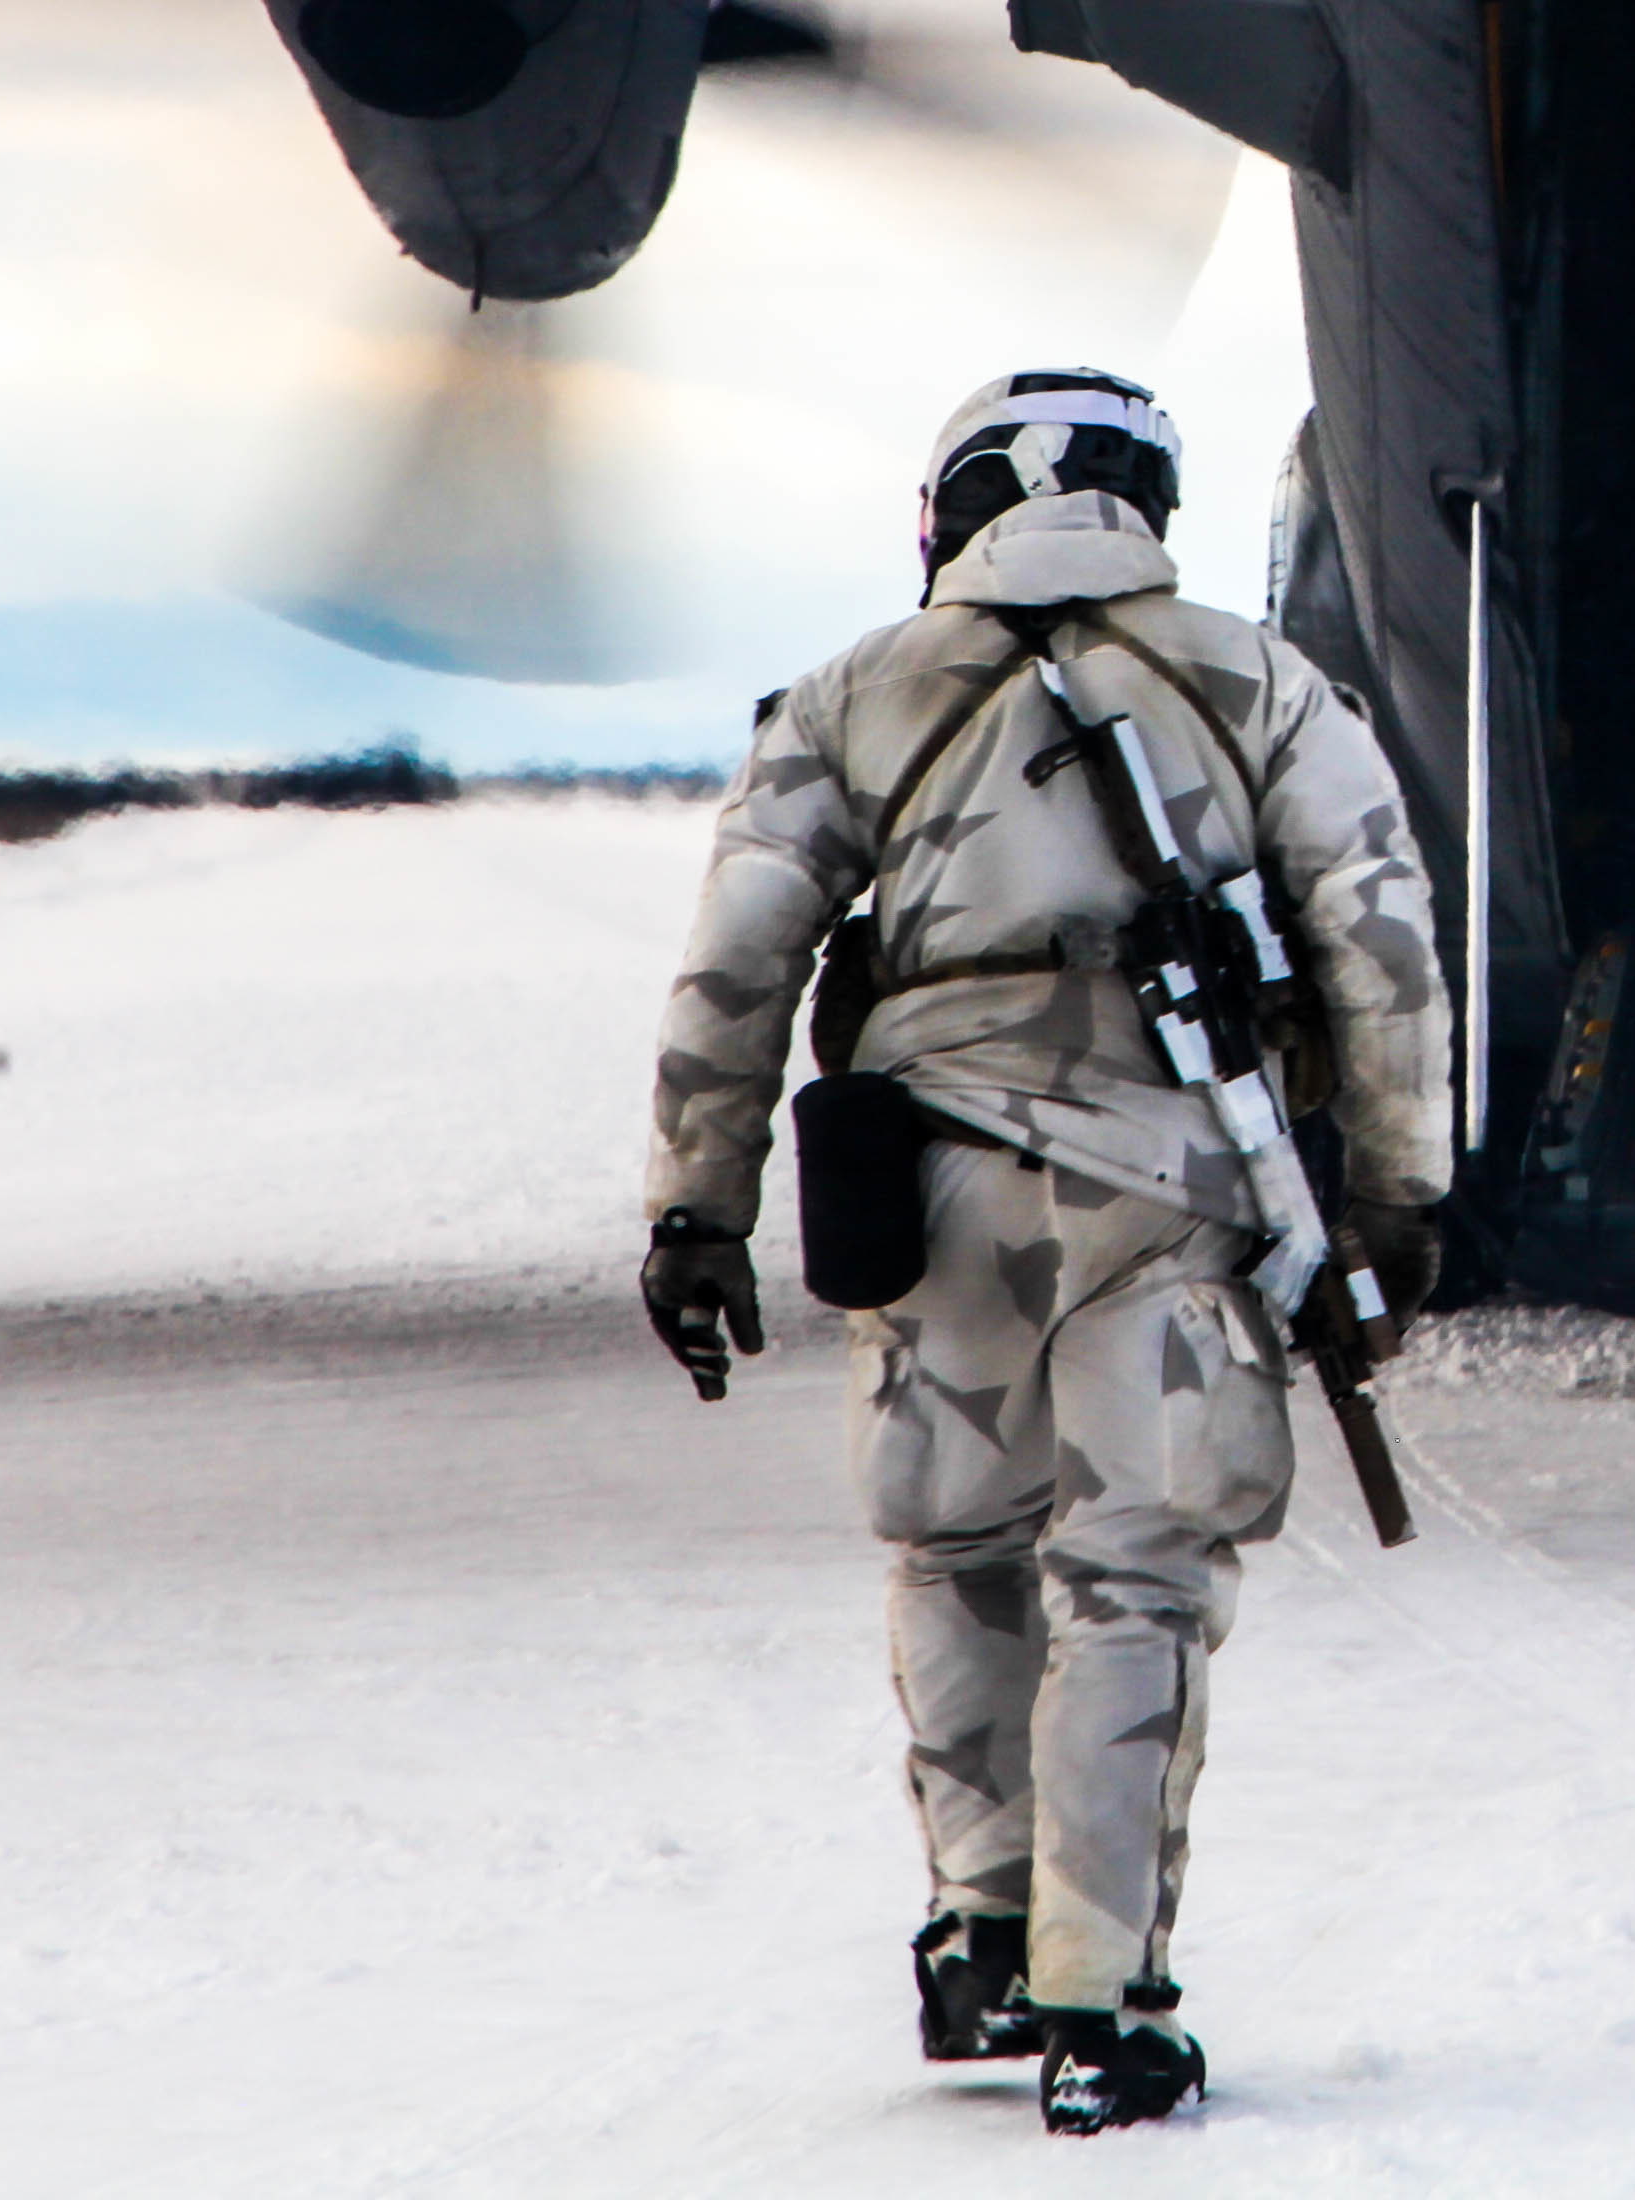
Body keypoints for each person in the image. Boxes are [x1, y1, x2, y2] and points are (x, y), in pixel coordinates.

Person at [636, 371, 1452, 2134]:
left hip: (926, 1192)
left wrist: (695, 1204)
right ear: (1145, 496)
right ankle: (1106, 1991)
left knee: (953, 1549)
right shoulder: (1255, 677)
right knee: (1135, 1577)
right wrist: (1400, 1187)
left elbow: (739, 957)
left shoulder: (857, 690)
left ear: (958, 506)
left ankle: (982, 1931)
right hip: (1175, 1186)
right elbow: (1379, 931)